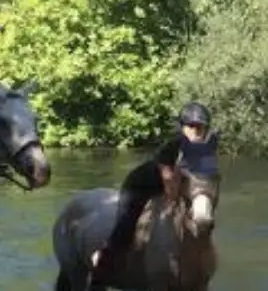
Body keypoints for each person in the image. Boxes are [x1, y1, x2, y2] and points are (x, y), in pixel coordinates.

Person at [90, 101, 219, 279]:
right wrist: (173, 200)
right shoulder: (173, 146)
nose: (196, 131)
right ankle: (105, 256)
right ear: (182, 127)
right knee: (127, 224)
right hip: (141, 186)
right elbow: (168, 179)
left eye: (201, 127)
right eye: (191, 126)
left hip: (172, 184)